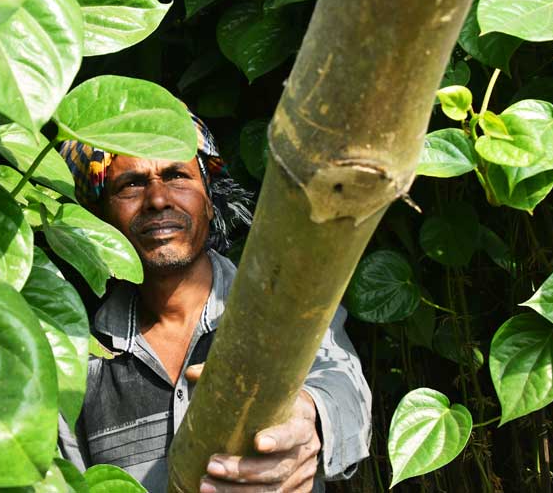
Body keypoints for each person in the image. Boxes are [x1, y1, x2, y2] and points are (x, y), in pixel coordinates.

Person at [56, 112, 371, 493]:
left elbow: (343, 383)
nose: (157, 198)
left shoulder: (282, 308)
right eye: (131, 184)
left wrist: (309, 419)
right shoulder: (77, 357)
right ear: (100, 218)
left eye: (176, 176)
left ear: (209, 199)